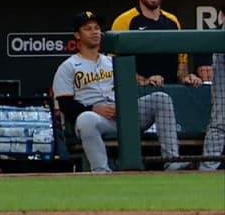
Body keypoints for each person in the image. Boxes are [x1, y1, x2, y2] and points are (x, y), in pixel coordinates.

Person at [53, 11, 189, 173]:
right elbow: (65, 104)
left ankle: (171, 160)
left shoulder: (112, 62)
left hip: (124, 116)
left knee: (160, 98)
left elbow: (130, 88)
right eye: (88, 29)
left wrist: (146, 82)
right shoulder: (68, 66)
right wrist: (93, 109)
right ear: (77, 35)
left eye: (97, 28)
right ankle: (101, 170)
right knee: (85, 119)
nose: (95, 32)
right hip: (97, 119)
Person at [111, 0, 205, 88]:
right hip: (138, 93)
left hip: (172, 90)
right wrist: (144, 81)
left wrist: (186, 78)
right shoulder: (124, 21)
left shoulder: (172, 21)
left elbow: (181, 63)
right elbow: (115, 65)